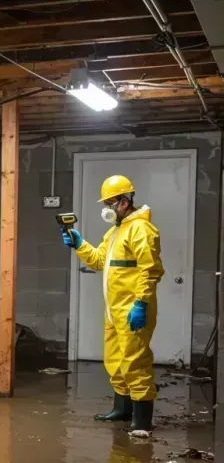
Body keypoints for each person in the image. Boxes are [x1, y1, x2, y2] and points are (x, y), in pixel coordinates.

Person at [63, 175, 164, 432]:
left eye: (112, 201)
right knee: (115, 360)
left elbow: (149, 270)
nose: (108, 207)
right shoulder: (115, 231)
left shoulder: (142, 229)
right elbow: (98, 261)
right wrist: (79, 243)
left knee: (135, 362)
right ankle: (122, 409)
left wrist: (141, 302)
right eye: (106, 202)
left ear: (127, 199)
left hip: (133, 308)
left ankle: (142, 421)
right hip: (113, 309)